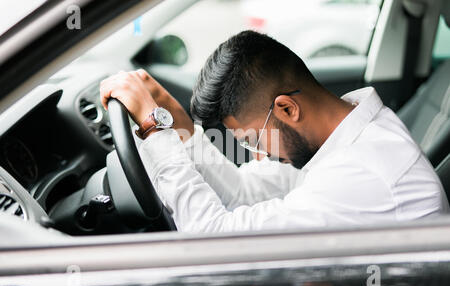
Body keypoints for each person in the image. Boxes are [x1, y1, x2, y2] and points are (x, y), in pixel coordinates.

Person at [100, 30, 449, 233]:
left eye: (252, 139)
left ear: (287, 109)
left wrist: (152, 129)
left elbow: (212, 241)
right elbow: (241, 194)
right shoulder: (343, 135)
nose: (260, 154)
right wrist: (178, 126)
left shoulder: (362, 172)